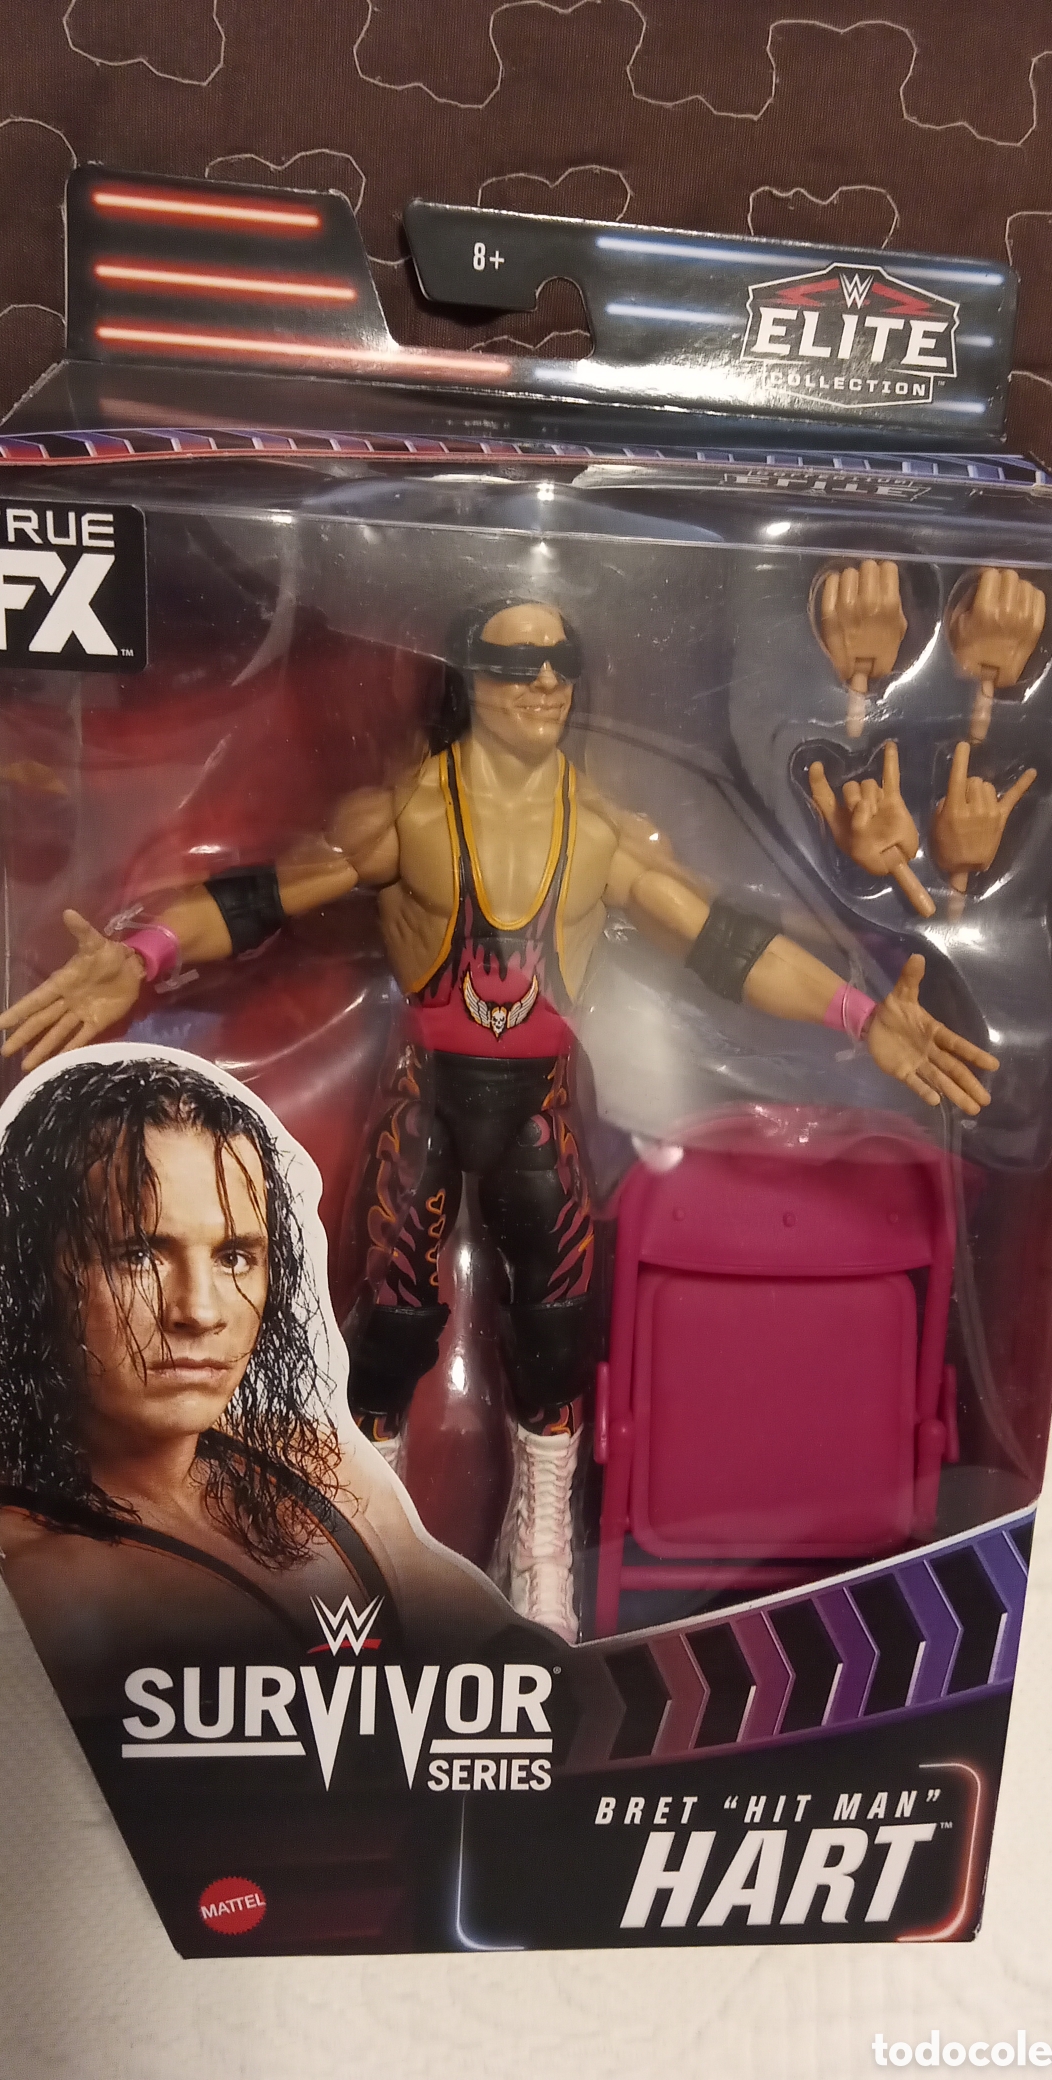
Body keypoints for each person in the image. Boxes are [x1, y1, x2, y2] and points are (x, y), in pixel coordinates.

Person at [0, 590, 1000, 1641]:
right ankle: (372, 1547)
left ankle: (544, 1553)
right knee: (389, 1326)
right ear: (471, 676)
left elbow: (722, 940)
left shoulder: (600, 832)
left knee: (555, 1328)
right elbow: (263, 897)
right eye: (522, 664)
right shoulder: (409, 815)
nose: (548, 684)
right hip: (427, 1095)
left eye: (563, 661)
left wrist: (858, 1015)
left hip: (540, 1104)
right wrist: (144, 953)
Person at [0, 1051, 514, 1715]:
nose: (199, 1311)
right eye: (140, 1255)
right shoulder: (33, 1581)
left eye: (235, 1256)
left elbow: (524, 1671)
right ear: (35, 1275)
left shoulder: (309, 1468)